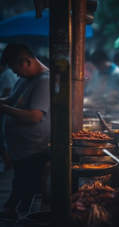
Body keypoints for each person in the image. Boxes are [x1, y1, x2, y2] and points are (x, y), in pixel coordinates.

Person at [0, 42, 50, 221]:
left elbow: (34, 116)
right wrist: (2, 101)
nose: (15, 73)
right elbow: (14, 98)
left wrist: (4, 109)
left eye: (15, 69)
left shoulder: (44, 81)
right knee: (19, 181)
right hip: (22, 150)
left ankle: (24, 217)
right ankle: (11, 208)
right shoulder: (25, 78)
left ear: (27, 62)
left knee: (30, 193)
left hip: (34, 150)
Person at [0, 55, 18, 173]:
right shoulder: (6, 74)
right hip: (5, 109)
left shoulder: (7, 74)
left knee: (3, 137)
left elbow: (9, 93)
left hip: (5, 110)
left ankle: (9, 162)